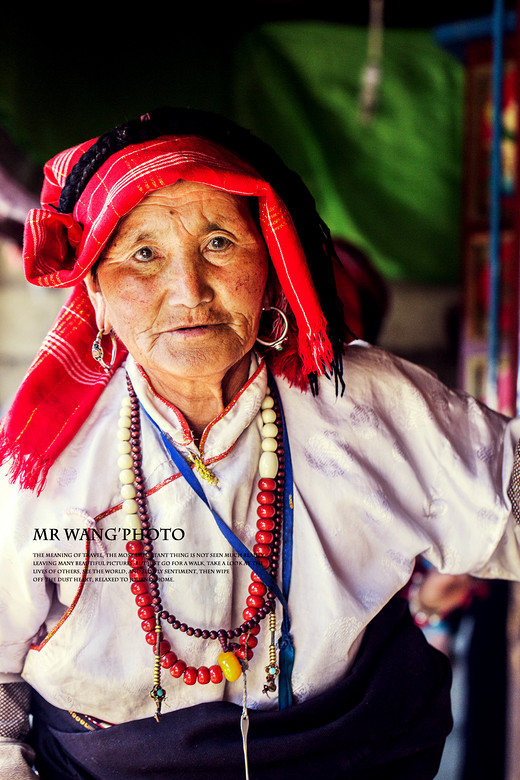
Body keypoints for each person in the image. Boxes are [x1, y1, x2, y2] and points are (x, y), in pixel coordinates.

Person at [0, 106, 519, 780]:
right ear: (95, 291)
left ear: (271, 262)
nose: (189, 290)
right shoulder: (41, 469)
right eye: (144, 253)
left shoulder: (359, 402)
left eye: (219, 242)